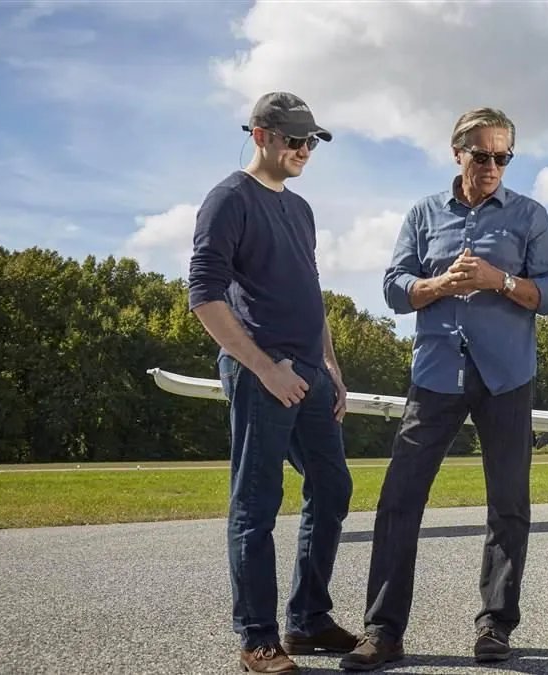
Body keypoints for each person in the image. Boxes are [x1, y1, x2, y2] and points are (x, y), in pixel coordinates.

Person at [340, 107, 548, 670]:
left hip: (507, 376)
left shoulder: (529, 216)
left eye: (503, 156)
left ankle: (496, 625)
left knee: (509, 504)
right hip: (435, 373)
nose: (493, 166)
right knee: (399, 499)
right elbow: (394, 288)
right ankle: (384, 630)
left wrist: (502, 281)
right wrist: (438, 284)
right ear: (457, 153)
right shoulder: (422, 214)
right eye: (482, 154)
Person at [187, 91, 357, 673]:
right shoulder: (229, 199)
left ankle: (307, 620)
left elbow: (312, 294)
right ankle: (257, 638)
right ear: (261, 135)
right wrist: (264, 366)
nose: (305, 149)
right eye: (294, 139)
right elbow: (204, 296)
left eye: (312, 141)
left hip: (309, 371)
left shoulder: (301, 209)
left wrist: (330, 364)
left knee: (333, 490)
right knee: (256, 505)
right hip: (263, 373)